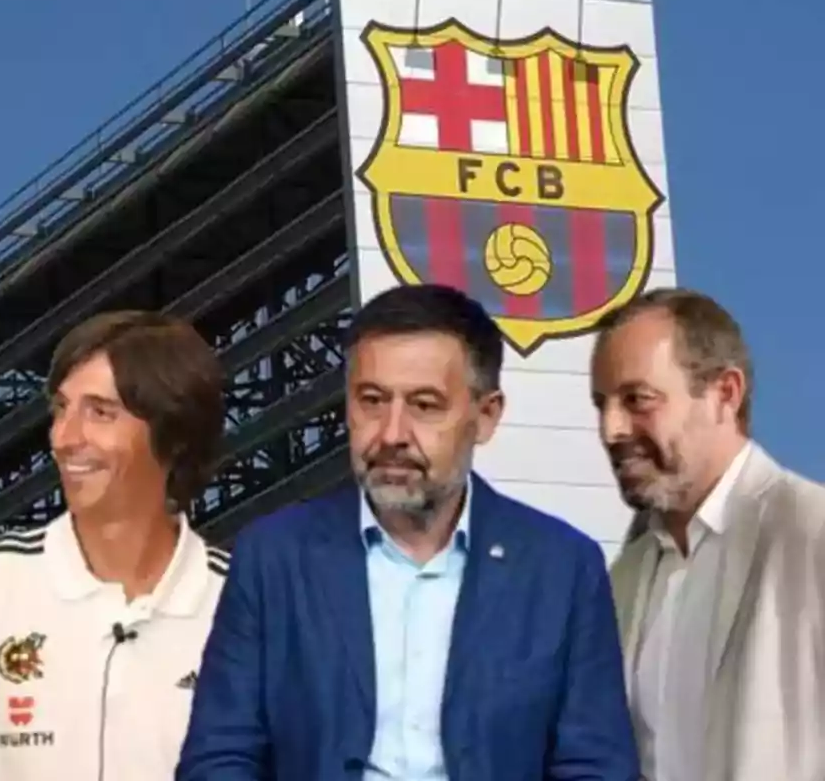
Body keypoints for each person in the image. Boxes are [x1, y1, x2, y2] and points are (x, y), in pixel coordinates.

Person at [178, 283, 638, 781]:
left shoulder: (562, 570)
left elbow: (595, 769)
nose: (392, 433)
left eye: (424, 405)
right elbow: (219, 759)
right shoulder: (274, 558)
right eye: (372, 400)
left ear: (485, 416)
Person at [0, 310, 229, 781]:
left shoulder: (245, 602)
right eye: (61, 409)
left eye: (100, 413)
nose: (65, 439)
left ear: (174, 437)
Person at [593, 287, 825, 781]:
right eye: (602, 404)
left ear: (725, 394)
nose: (612, 428)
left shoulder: (813, 533)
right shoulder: (622, 582)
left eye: (638, 400)